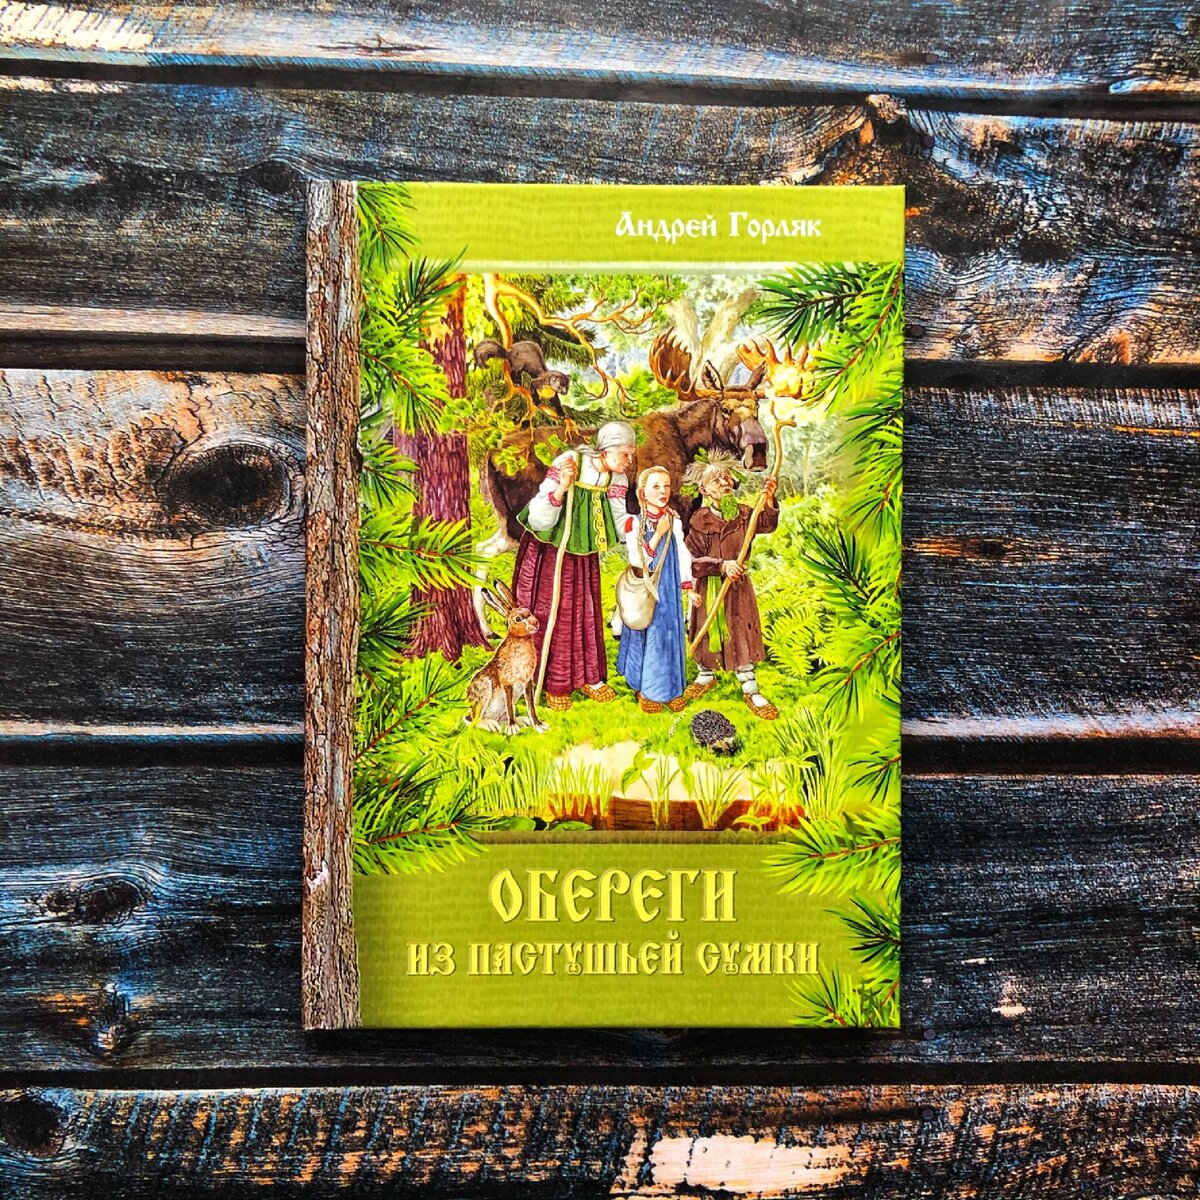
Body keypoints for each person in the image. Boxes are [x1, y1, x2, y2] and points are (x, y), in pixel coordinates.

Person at [512, 420, 636, 712]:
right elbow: (539, 516)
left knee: (584, 612)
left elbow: (619, 520)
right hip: (551, 552)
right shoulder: (571, 462)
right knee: (553, 611)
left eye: (631, 455)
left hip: (582, 555)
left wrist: (642, 528)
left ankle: (589, 678)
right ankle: (553, 682)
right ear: (605, 451)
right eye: (625, 454)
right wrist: (562, 488)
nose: (629, 461)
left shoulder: (617, 479)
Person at [683, 458, 780, 719]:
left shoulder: (746, 514)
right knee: (707, 632)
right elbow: (691, 560)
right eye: (716, 480)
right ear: (704, 490)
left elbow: (767, 524)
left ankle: (751, 688)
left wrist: (770, 498)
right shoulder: (700, 520)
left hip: (738, 590)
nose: (724, 482)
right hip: (709, 587)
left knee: (740, 633)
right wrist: (721, 565)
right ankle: (706, 676)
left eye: (726, 477)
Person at [615, 466, 698, 713]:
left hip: (669, 588)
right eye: (656, 486)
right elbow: (639, 560)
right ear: (642, 493)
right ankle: (648, 690)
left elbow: (682, 554)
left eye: (666, 486)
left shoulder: (674, 520)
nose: (663, 492)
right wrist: (658, 533)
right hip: (647, 588)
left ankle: (670, 689)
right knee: (647, 633)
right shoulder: (633, 523)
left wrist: (688, 586)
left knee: (668, 634)